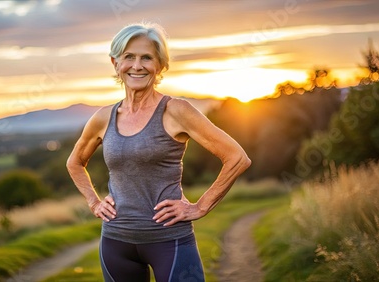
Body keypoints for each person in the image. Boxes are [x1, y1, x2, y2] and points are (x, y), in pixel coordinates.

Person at [66, 22, 251, 282]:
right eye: (129, 57)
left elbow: (237, 157)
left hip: (170, 241)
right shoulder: (102, 118)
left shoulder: (176, 111)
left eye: (147, 58)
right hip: (116, 242)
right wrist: (94, 201)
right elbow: (75, 163)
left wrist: (200, 207)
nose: (137, 66)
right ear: (115, 63)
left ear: (160, 65)